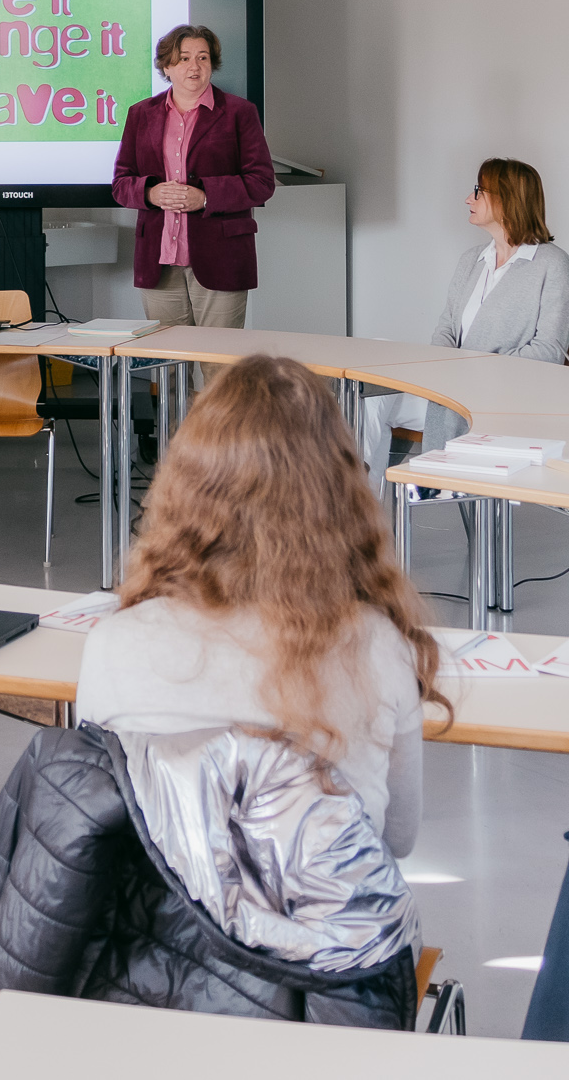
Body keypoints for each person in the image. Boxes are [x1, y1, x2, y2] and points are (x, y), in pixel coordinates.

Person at [77, 354, 451, 859]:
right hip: (323, 935)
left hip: (158, 930)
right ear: (337, 492)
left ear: (186, 483)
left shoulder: (113, 644)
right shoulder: (379, 647)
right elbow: (397, 841)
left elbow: (105, 829)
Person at [359, 157, 569, 474]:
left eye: (478, 191)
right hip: (449, 393)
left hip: (503, 400)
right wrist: (444, 373)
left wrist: (467, 374)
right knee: (367, 391)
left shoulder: (553, 264)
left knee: (370, 402)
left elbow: (548, 352)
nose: (468, 199)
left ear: (506, 199)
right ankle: (357, 498)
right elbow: (446, 330)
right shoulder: (472, 260)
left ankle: (351, 497)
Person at [111, 25, 275, 334]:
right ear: (167, 67)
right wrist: (150, 193)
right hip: (159, 261)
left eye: (203, 57)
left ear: (212, 64)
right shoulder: (140, 114)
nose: (194, 66)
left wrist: (205, 196)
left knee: (218, 366)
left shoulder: (240, 113)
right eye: (184, 58)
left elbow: (262, 181)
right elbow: (121, 183)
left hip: (222, 258)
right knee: (166, 366)